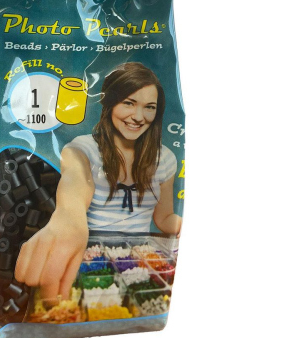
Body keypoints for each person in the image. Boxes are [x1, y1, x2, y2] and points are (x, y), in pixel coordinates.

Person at [15, 62, 182, 299]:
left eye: (149, 107)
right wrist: (68, 216)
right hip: (89, 258)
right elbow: (76, 177)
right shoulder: (83, 147)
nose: (138, 117)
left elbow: (164, 218)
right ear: (110, 102)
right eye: (129, 103)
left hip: (138, 263)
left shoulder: (165, 158)